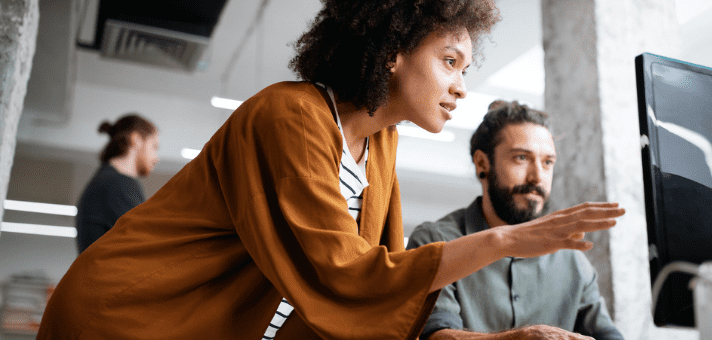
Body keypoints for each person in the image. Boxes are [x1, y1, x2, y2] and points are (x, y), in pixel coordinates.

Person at [37, 1, 624, 339]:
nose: (461, 87)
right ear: (394, 50)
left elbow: (375, 294)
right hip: (128, 319)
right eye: (449, 61)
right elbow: (346, 274)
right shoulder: (290, 115)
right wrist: (501, 241)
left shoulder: (382, 144)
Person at [408, 100, 624, 340]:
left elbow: (608, 335)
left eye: (547, 162)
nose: (537, 177)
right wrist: (521, 338)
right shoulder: (435, 242)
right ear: (482, 163)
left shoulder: (573, 260)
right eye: (521, 158)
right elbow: (434, 336)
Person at [75, 114, 160, 254]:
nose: (157, 158)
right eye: (154, 146)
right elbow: (147, 244)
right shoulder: (117, 185)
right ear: (136, 139)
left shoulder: (109, 181)